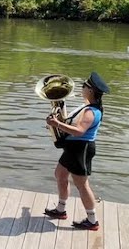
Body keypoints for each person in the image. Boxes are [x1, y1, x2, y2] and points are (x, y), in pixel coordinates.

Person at [44, 72, 108, 230]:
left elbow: (79, 131)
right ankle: (61, 210)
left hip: (81, 149)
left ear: (91, 90)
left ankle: (92, 221)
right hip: (73, 148)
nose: (82, 87)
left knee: (82, 185)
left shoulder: (91, 112)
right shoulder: (87, 106)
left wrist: (57, 124)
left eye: (85, 86)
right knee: (60, 175)